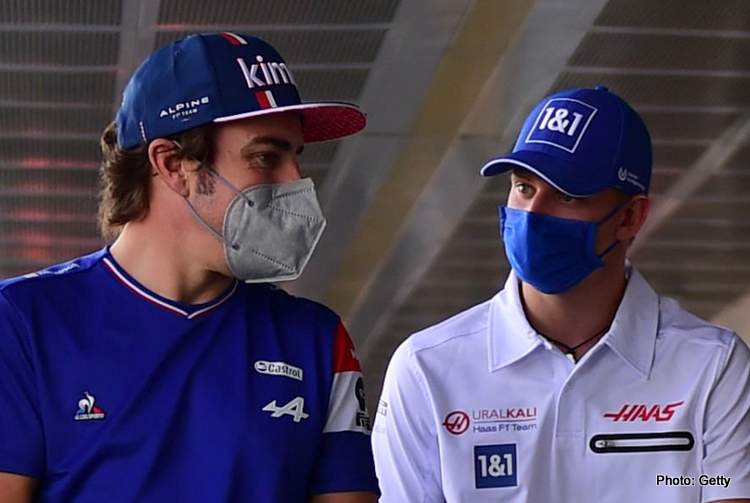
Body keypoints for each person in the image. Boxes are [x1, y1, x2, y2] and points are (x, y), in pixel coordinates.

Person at [0, 32, 378, 502]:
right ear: (174, 164)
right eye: (266, 157)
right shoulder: (21, 322)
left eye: (297, 158)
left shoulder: (317, 339)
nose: (295, 182)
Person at [371, 86, 750, 502]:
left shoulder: (712, 366)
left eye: (567, 195)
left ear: (630, 217)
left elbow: (722, 490)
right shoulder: (427, 368)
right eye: (524, 188)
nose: (533, 216)